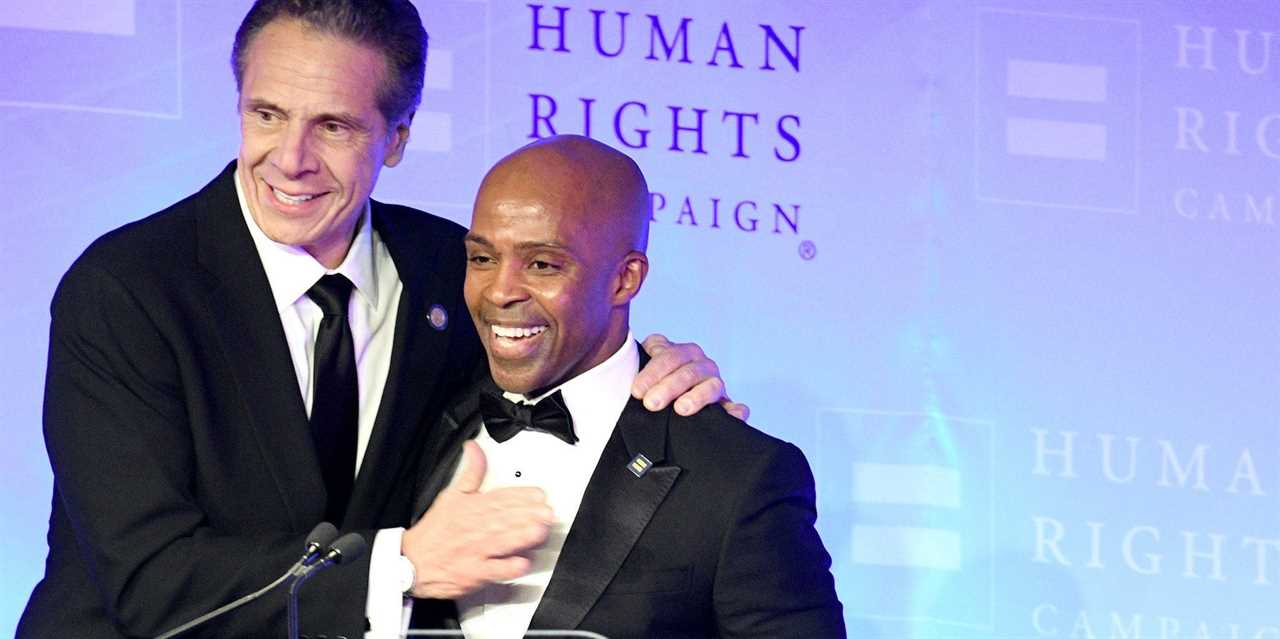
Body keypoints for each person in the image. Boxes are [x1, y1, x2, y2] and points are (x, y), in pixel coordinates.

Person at [17, 2, 742, 637]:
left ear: (395, 138)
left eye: (332, 125)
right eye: (266, 114)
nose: (289, 159)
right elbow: (149, 583)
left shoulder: (447, 269)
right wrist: (402, 565)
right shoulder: (126, 289)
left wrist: (661, 379)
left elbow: (560, 351)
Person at [410, 135, 845, 638]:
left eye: (542, 264)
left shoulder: (737, 477)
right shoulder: (425, 418)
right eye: (482, 259)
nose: (501, 291)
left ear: (625, 279)